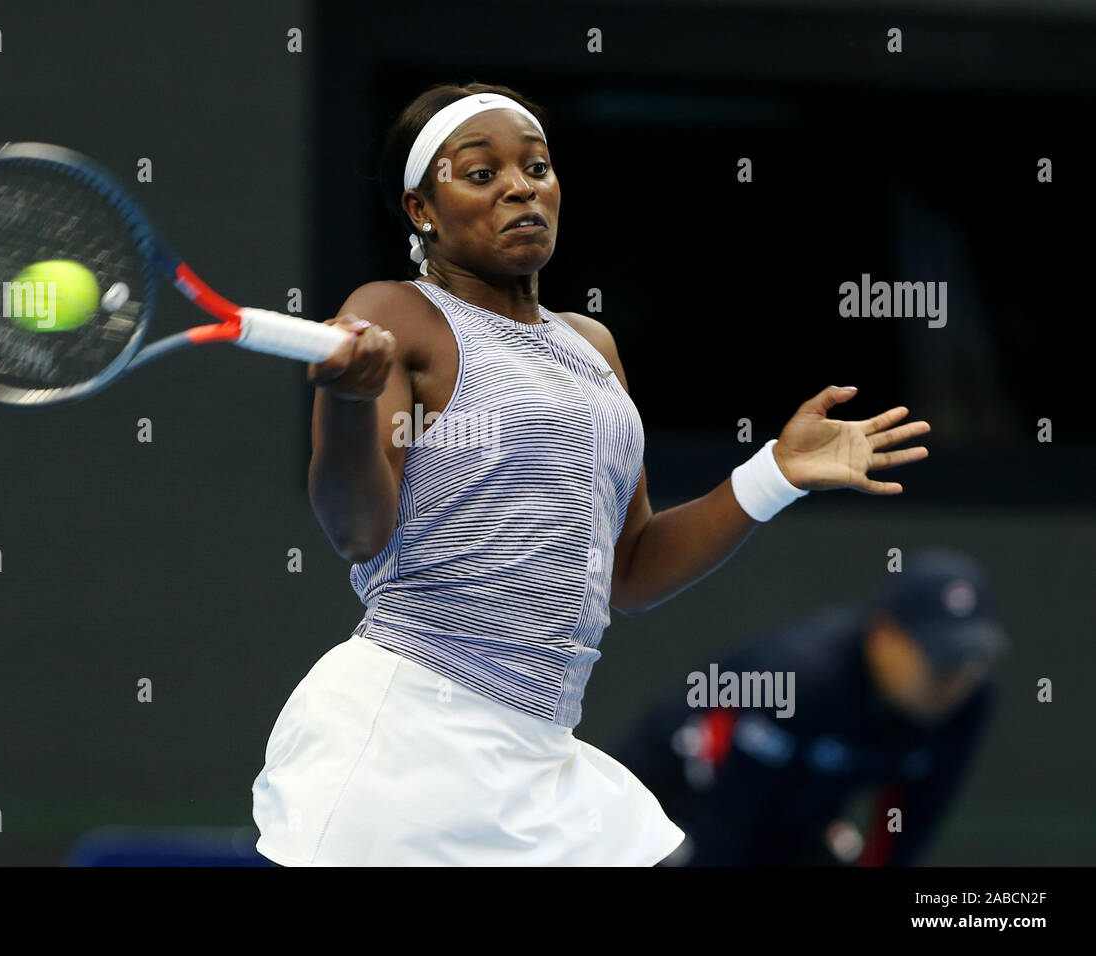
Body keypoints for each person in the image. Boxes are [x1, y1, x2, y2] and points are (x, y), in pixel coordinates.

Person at [250, 81, 931, 866]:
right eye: (480, 174)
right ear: (420, 211)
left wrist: (773, 473)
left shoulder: (591, 349)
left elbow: (630, 571)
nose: (518, 187)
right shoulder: (398, 313)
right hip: (409, 738)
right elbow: (355, 529)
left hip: (540, 758)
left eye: (536, 167)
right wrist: (346, 399)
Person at [616, 550, 1007, 866]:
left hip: (792, 821)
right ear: (884, 637)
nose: (955, 679)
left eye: (968, 661)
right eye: (940, 660)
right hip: (669, 803)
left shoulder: (966, 703)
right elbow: (727, 823)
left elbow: (908, 831)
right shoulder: (802, 678)